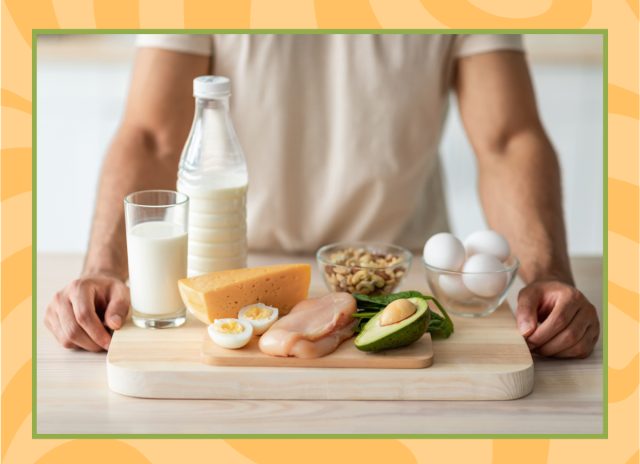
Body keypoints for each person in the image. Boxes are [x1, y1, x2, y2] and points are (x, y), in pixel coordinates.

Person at [44, 34, 599, 357]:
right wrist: (103, 267)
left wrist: (550, 276)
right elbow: (151, 133)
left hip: (397, 274)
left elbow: (508, 139)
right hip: (233, 274)